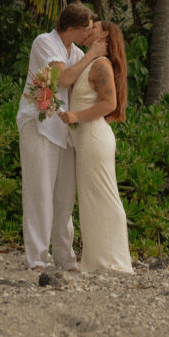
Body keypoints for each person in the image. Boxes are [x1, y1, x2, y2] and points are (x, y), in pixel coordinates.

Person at [16, 2, 107, 270]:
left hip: (65, 130)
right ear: (72, 28)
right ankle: (36, 258)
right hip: (39, 125)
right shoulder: (45, 42)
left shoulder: (76, 51)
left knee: (65, 196)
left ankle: (65, 258)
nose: (89, 33)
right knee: (39, 192)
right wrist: (92, 55)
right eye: (87, 28)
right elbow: (62, 79)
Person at [59, 21, 132, 274]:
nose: (88, 28)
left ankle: (113, 261)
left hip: (94, 137)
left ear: (104, 35)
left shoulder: (101, 65)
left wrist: (77, 117)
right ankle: (98, 260)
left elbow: (109, 103)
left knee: (104, 197)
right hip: (87, 139)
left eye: (95, 26)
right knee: (91, 200)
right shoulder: (91, 61)